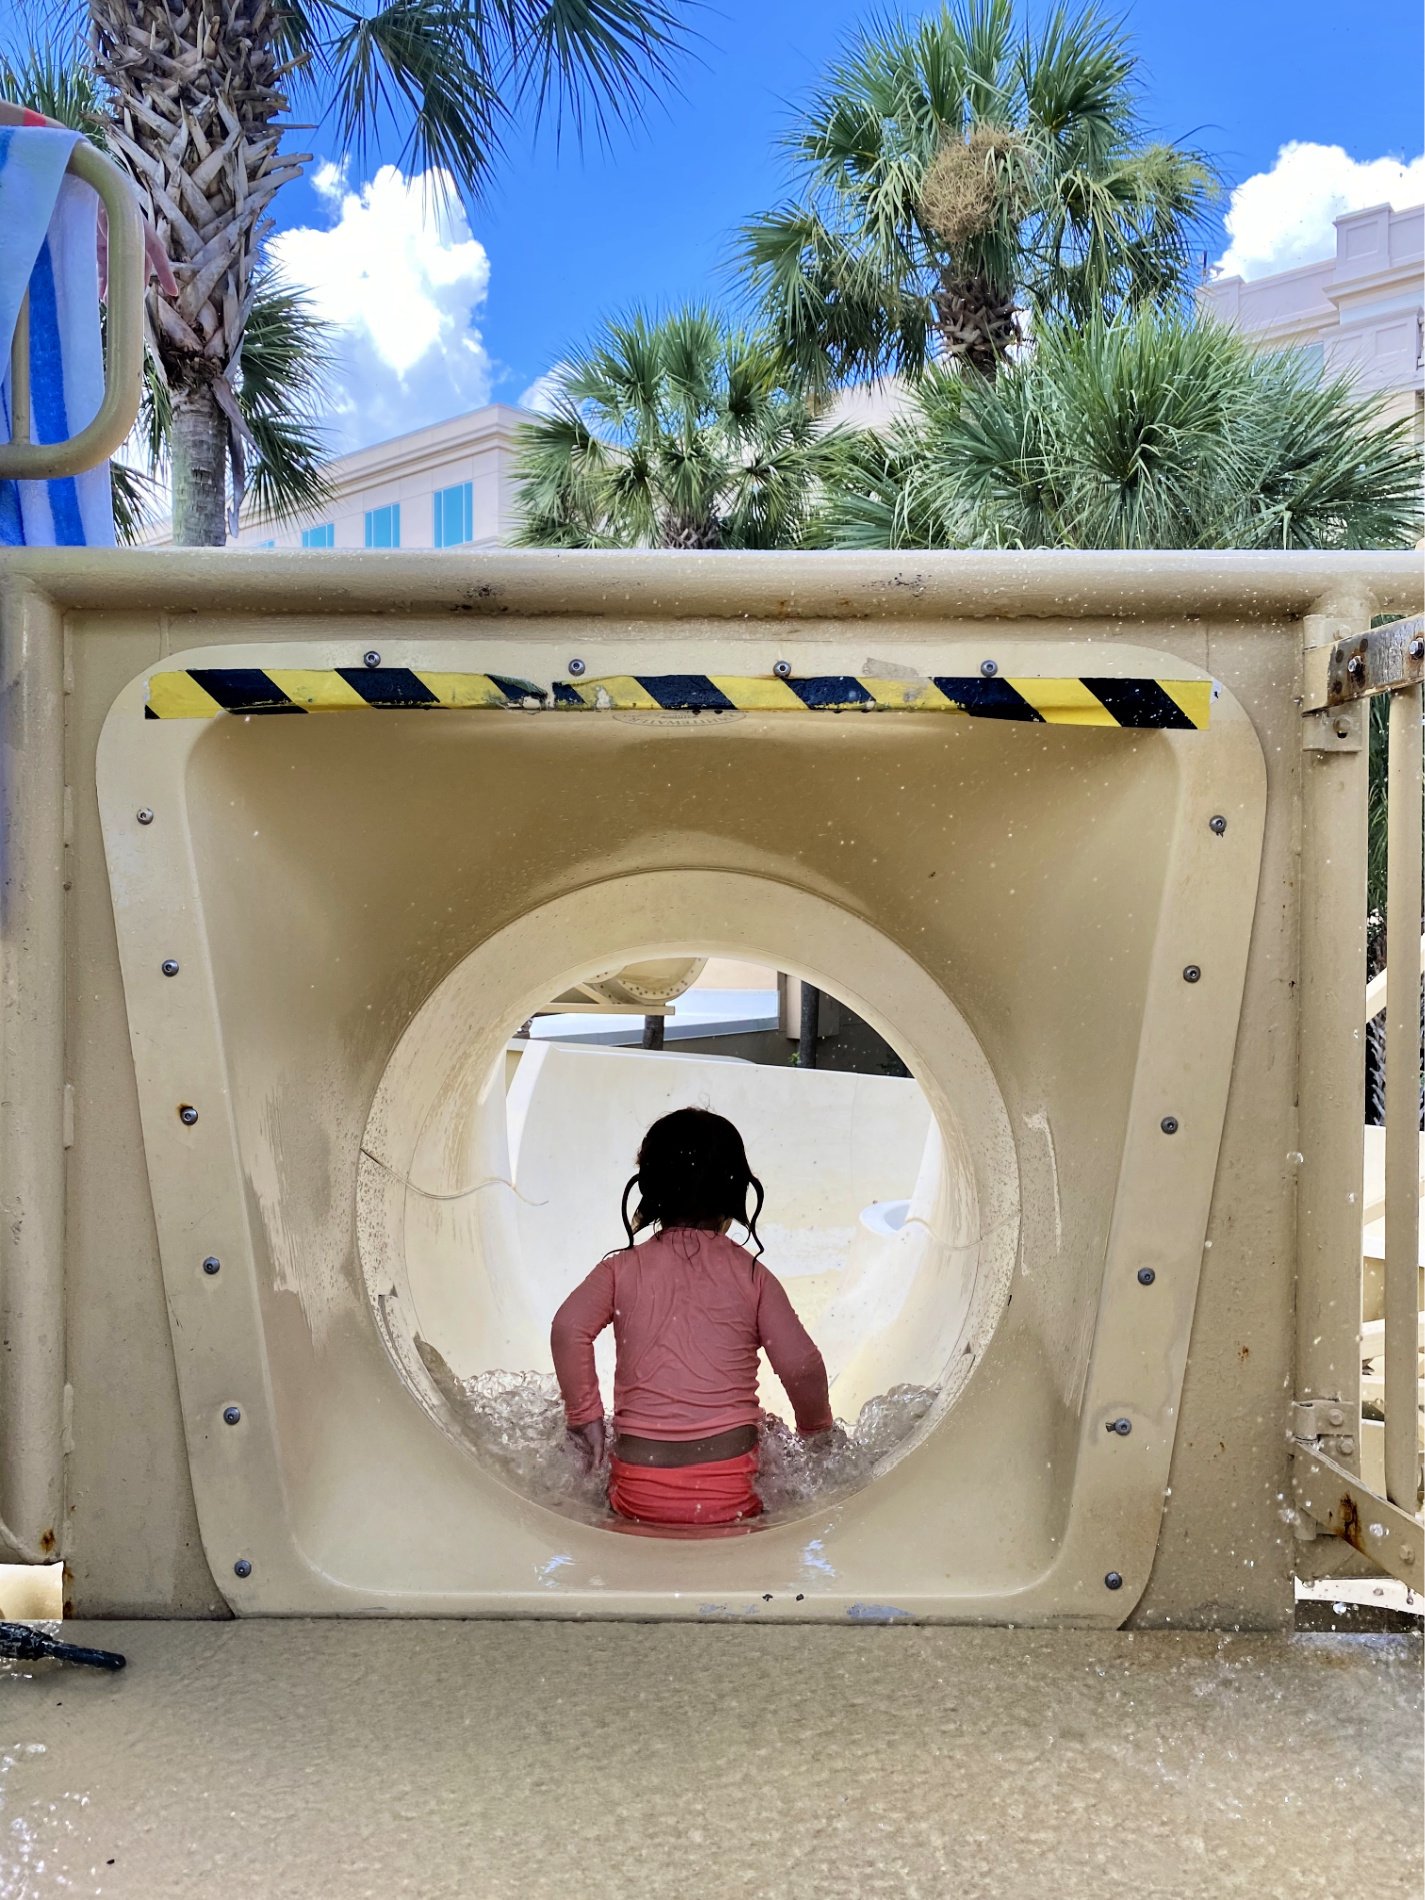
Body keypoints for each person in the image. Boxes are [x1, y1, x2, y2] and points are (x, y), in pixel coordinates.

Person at [550, 1107, 834, 1526]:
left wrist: (585, 1420)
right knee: (771, 1433)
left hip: (637, 1490)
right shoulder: (752, 1276)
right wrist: (818, 1435)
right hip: (732, 1492)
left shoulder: (619, 1270)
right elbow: (802, 1368)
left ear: (649, 1190)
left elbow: (568, 1329)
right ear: (737, 1192)